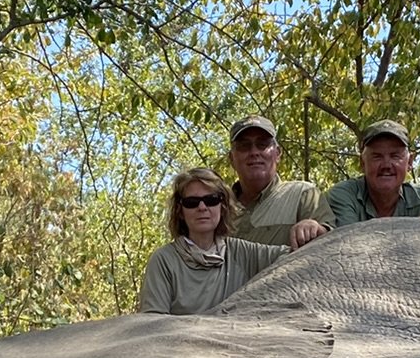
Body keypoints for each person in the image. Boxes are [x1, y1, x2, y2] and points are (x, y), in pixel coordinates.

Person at [137, 168, 287, 315]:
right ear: (180, 211)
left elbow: (296, 257)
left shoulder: (242, 253)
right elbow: (153, 325)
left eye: (211, 200)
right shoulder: (164, 260)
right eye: (192, 202)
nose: (202, 207)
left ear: (222, 207)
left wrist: (308, 227)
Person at [226, 114, 331, 249]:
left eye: (262, 144)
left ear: (278, 153)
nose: (254, 152)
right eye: (244, 146)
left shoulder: (302, 194)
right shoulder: (215, 205)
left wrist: (316, 228)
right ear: (231, 158)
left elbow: (333, 245)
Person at [327, 120, 420, 224]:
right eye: (377, 156)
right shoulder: (344, 195)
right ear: (362, 163)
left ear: (410, 162)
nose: (386, 165)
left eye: (395, 156)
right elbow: (347, 240)